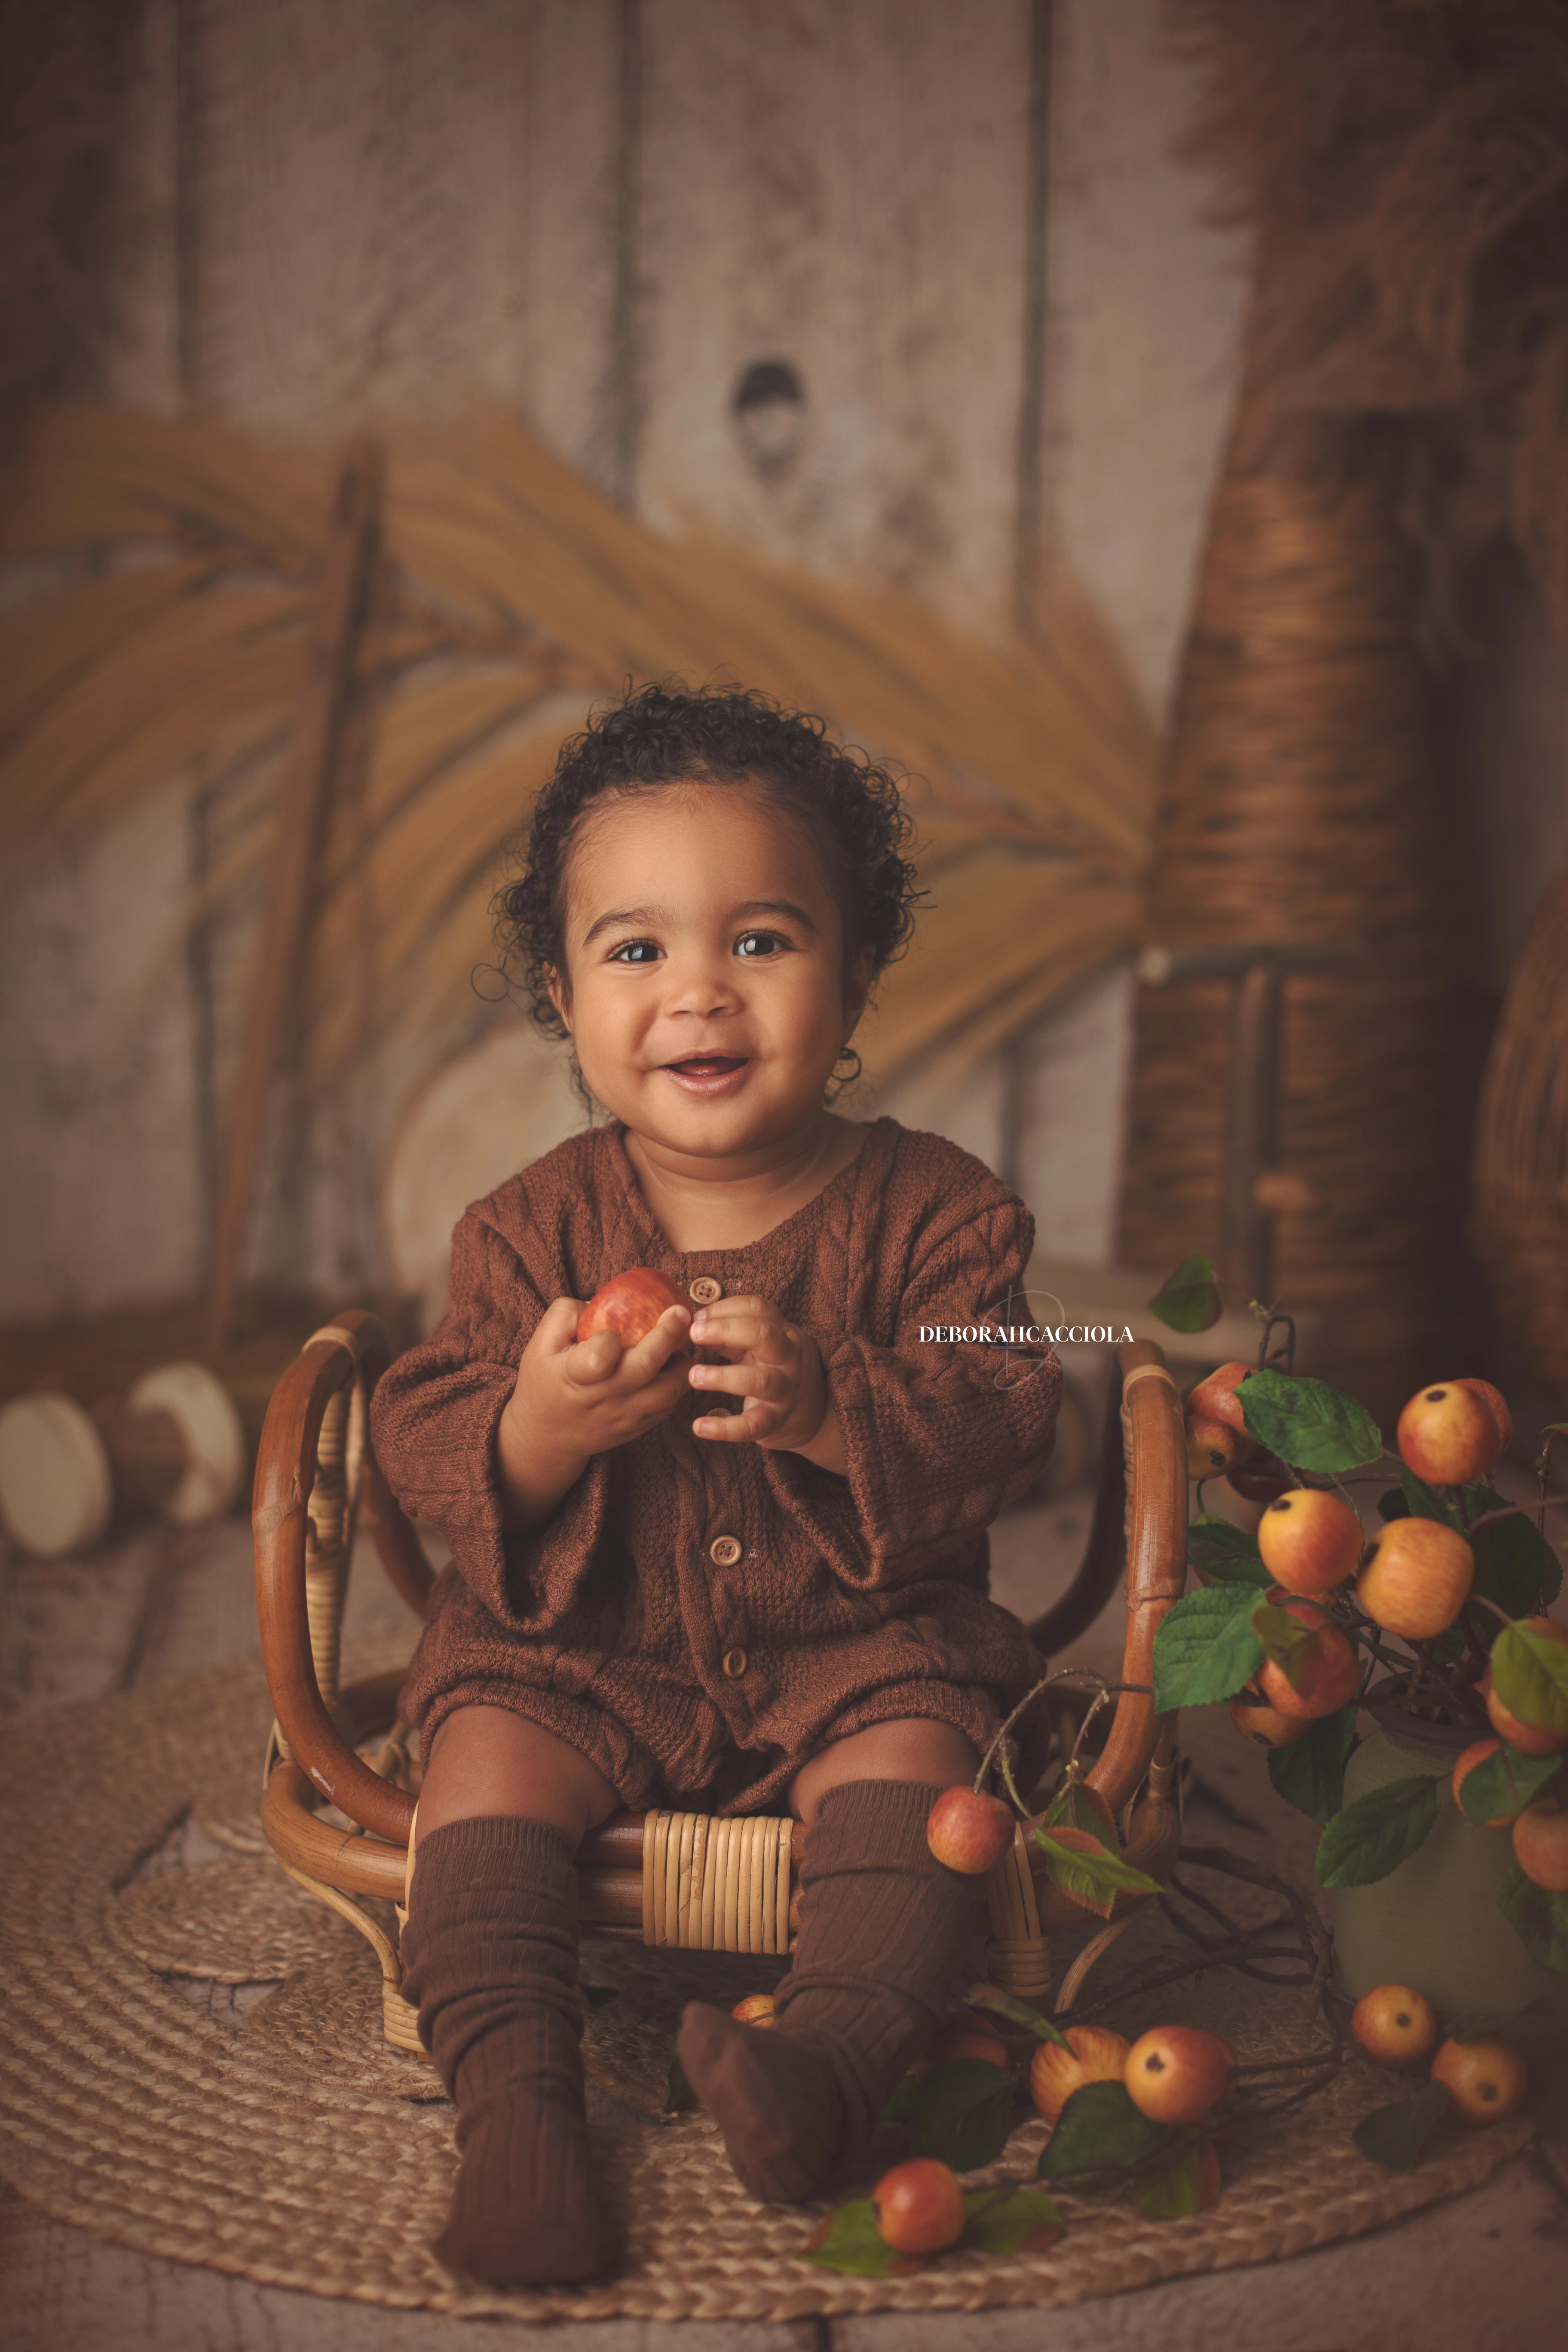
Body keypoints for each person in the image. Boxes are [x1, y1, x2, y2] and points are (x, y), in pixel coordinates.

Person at [371, 683, 1059, 2284]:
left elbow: (1010, 1401)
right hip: (582, 1656)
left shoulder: (938, 1212)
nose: (700, 995)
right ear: (561, 992)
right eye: (636, 951)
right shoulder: (526, 1231)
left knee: (922, 1764)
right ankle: (522, 2120)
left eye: (761, 940)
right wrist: (538, 1424)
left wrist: (838, 1403)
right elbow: (422, 1431)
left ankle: (822, 2068)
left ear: (857, 968)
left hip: (853, 1646)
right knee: (478, 1763)